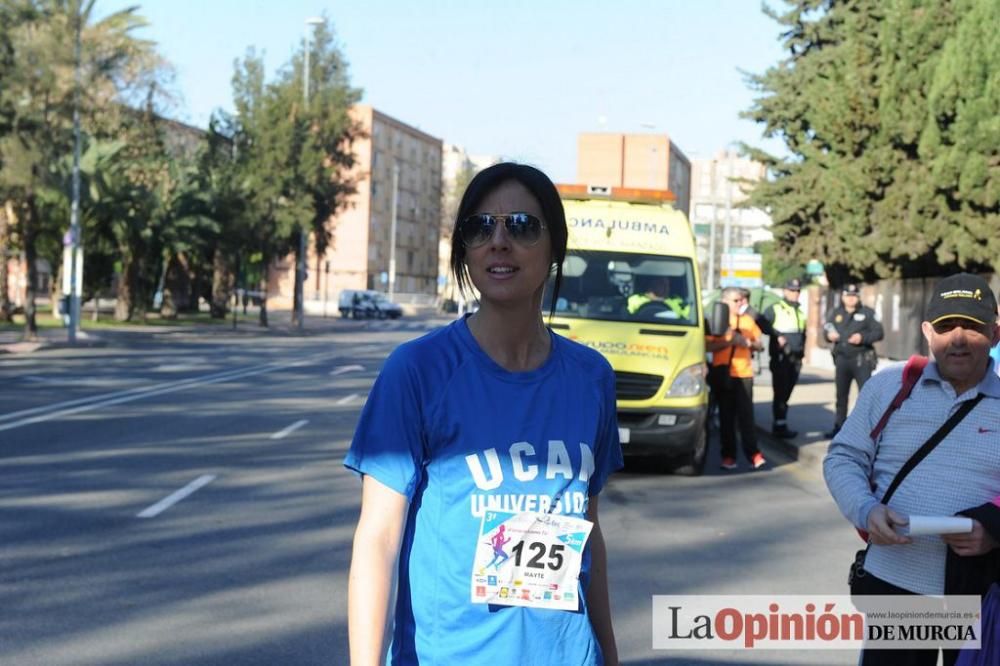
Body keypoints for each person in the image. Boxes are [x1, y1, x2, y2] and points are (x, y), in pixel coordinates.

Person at [345, 162, 623, 666]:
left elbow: (590, 532)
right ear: (465, 250)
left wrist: (609, 654)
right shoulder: (417, 371)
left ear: (554, 247)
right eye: (480, 227)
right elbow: (378, 537)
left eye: (521, 226)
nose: (499, 241)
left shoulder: (592, 379)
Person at [823, 272, 1000, 666]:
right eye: (945, 326)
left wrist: (993, 531)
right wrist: (866, 510)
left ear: (995, 332)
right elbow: (843, 458)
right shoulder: (888, 387)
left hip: (979, 596)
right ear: (927, 332)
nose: (957, 338)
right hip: (895, 588)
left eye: (971, 326)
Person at [706, 287, 767, 471]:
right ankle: (728, 456)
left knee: (746, 417)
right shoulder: (715, 320)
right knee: (726, 417)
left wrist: (748, 343)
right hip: (722, 372)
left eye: (742, 300)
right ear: (725, 301)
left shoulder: (748, 321)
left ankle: (754, 454)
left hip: (743, 373)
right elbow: (707, 345)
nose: (741, 303)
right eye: (736, 300)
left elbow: (760, 345)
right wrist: (729, 341)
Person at [823, 283, 884, 438]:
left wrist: (862, 338)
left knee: (865, 395)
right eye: (848, 296)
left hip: (861, 359)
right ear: (843, 297)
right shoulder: (836, 313)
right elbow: (826, 329)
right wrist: (828, 336)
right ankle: (839, 427)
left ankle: (866, 431)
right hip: (842, 359)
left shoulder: (867, 313)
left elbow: (879, 332)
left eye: (854, 296)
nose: (851, 299)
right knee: (841, 396)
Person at [759, 278, 807, 438]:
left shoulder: (800, 311)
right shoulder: (775, 308)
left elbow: (803, 335)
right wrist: (777, 336)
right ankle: (779, 426)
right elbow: (761, 322)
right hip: (781, 357)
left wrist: (803, 354)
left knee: (787, 392)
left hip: (795, 359)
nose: (795, 293)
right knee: (780, 392)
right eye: (792, 290)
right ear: (785, 291)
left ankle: (781, 423)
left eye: (797, 290)